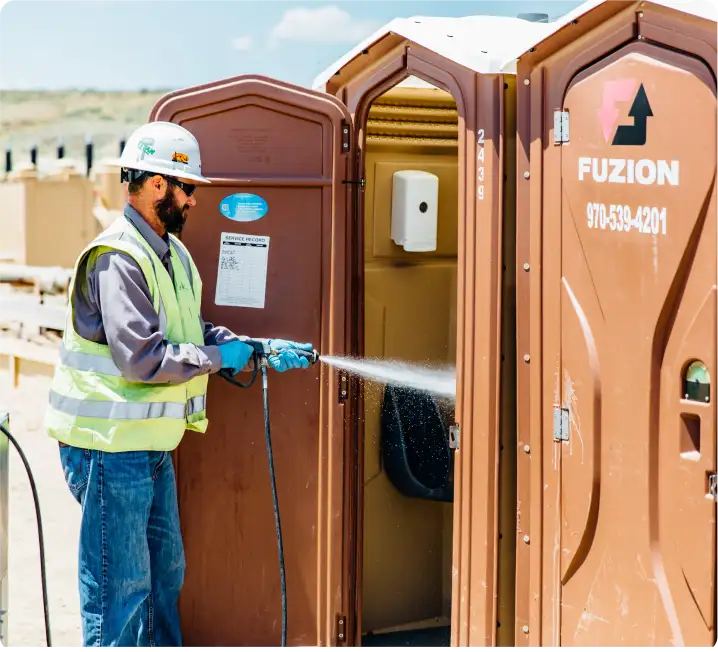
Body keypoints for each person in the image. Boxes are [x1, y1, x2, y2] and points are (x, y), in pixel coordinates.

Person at [43, 121, 313, 648]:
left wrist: (252, 346)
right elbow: (141, 359)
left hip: (151, 447)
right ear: (156, 185)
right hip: (108, 449)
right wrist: (218, 357)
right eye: (187, 188)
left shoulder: (173, 254)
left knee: (164, 579)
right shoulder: (119, 258)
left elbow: (188, 327)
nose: (193, 201)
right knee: (120, 593)